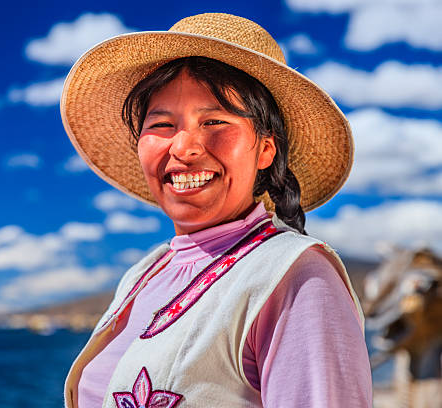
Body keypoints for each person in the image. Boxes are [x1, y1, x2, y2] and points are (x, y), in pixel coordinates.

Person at [60, 13, 372, 408]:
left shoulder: (298, 279)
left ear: (265, 149)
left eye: (214, 121)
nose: (184, 147)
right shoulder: (144, 274)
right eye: (162, 125)